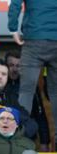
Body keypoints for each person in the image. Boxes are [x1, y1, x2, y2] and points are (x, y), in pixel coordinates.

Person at [8, 0, 57, 145]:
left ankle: (19, 136)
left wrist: (13, 29)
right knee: (56, 93)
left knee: (26, 91)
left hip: (34, 40)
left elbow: (15, 4)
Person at [5, 50, 50, 151]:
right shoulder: (0, 86)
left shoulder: (30, 87)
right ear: (6, 66)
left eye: (18, 66)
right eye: (11, 65)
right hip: (3, 138)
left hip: (27, 138)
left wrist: (44, 141)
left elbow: (40, 115)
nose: (15, 69)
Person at [0, 59, 38, 139]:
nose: (0, 77)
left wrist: (16, 136)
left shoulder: (10, 96)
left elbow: (28, 122)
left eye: (4, 74)